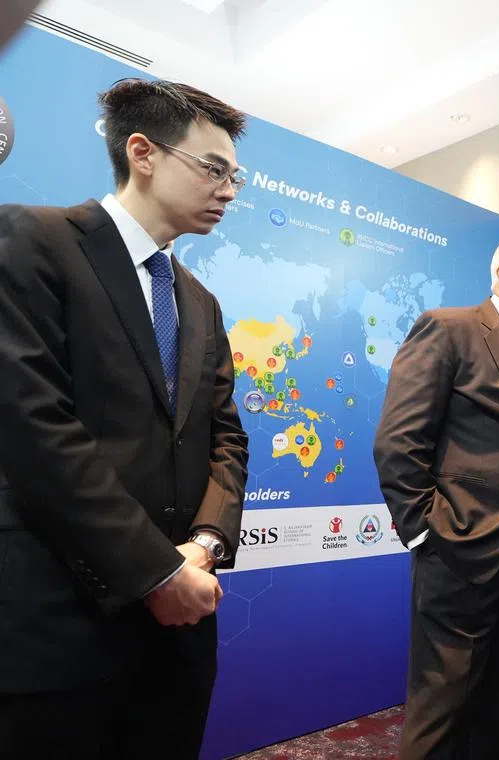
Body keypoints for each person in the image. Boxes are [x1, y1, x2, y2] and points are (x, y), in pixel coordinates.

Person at [0, 78, 250, 758]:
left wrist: (205, 544)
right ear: (143, 153)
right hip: (61, 624)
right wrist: (155, 572)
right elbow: (31, 427)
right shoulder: (34, 241)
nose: (229, 191)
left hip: (181, 629)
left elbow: (226, 437)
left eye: (235, 177)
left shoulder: (199, 300)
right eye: (214, 169)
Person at [374, 230, 499, 759]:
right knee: (444, 704)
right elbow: (399, 442)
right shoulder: (448, 329)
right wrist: (426, 532)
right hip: (459, 548)